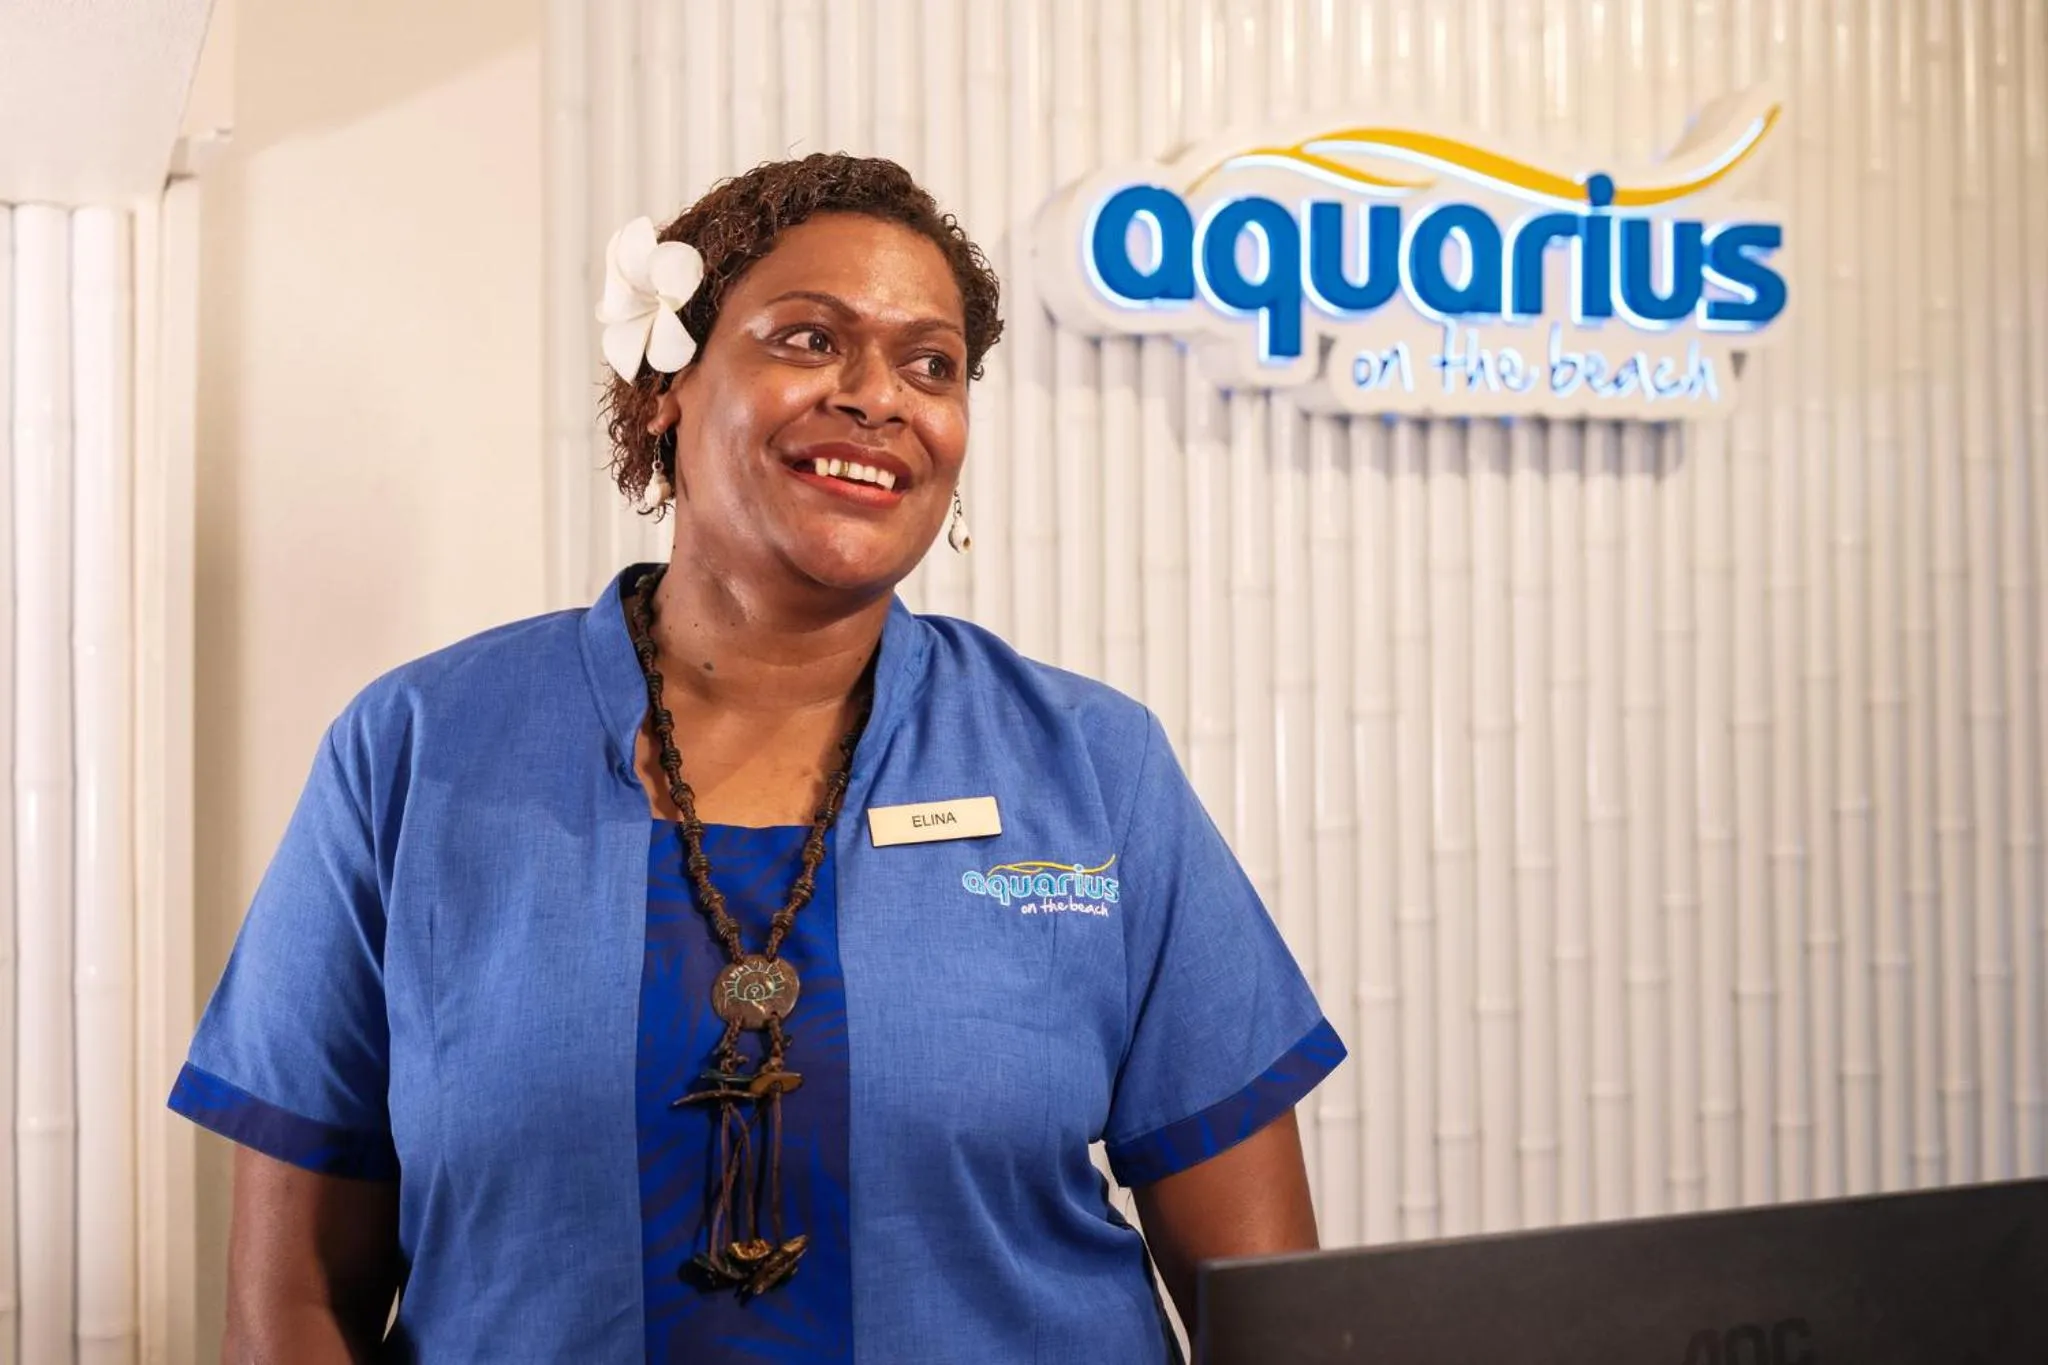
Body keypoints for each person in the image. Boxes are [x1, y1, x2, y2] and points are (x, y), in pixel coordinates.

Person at [171, 153, 1344, 1364]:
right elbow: (296, 1301)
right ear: (666, 385)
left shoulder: (1094, 767)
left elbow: (1264, 1305)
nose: (878, 396)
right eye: (807, 338)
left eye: (929, 363)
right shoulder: (413, 755)